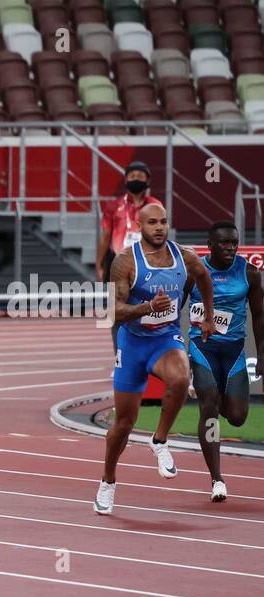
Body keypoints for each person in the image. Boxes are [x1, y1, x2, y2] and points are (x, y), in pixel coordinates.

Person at [94, 203, 214, 515]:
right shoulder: (124, 262)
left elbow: (204, 277)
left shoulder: (184, 257)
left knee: (180, 377)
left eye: (163, 222)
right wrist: (147, 308)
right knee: (124, 424)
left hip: (165, 339)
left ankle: (159, 440)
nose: (159, 228)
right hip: (133, 344)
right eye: (152, 223)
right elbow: (112, 311)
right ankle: (107, 481)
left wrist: (208, 316)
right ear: (139, 224)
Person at [184, 221, 263, 502]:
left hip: (234, 352)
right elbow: (175, 309)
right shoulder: (195, 273)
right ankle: (217, 479)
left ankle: (222, 404)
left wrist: (262, 355)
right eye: (224, 243)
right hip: (203, 348)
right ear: (210, 245)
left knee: (238, 417)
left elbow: (259, 316)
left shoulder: (249, 273)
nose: (231, 247)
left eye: (234, 242)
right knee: (209, 404)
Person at [96, 160, 157, 284]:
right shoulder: (113, 206)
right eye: (132, 176)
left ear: (147, 181)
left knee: (145, 301)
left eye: (140, 176)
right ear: (126, 180)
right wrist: (99, 265)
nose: (136, 179)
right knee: (114, 301)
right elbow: (105, 237)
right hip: (116, 261)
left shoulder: (155, 205)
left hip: (146, 262)